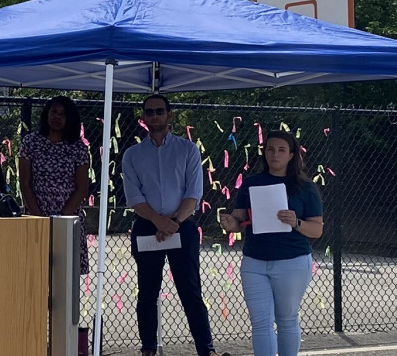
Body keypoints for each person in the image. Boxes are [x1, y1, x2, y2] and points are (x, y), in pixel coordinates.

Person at [122, 94, 226, 356]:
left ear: (170, 115)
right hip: (147, 227)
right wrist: (159, 221)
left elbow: (194, 194)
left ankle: (207, 350)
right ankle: (148, 348)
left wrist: (174, 222)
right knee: (147, 291)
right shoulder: (132, 155)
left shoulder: (188, 150)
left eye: (160, 111)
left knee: (190, 289)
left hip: (183, 227)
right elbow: (134, 198)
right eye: (150, 112)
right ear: (144, 118)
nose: (155, 116)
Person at [219, 130, 323, 356]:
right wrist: (231, 223)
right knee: (261, 322)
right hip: (255, 261)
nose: (275, 154)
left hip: (292, 261)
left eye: (281, 150)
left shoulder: (305, 187)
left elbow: (316, 230)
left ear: (291, 155)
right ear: (264, 152)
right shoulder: (251, 183)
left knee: (286, 319)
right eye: (270, 149)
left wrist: (295, 222)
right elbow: (239, 220)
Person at [19, 95, 90, 273]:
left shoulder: (78, 147)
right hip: (37, 212)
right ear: (47, 114)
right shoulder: (31, 142)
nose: (57, 117)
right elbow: (25, 183)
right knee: (36, 271)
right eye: (54, 112)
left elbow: (82, 187)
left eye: (63, 114)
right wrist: (39, 217)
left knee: (65, 276)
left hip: (67, 216)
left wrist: (61, 218)